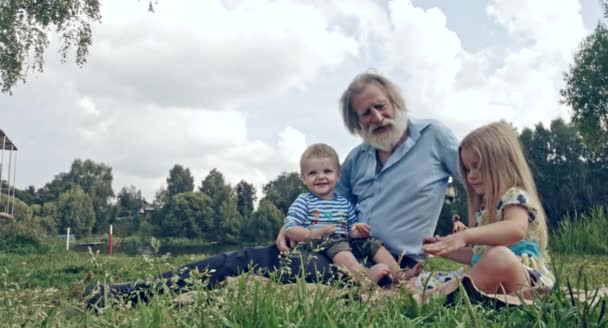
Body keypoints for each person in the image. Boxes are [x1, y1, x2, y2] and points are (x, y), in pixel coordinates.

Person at [84, 71, 458, 307]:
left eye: (381, 107)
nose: (377, 118)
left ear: (396, 103)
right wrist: (286, 227)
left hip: (391, 262)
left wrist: (471, 232)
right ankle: (131, 291)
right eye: (366, 114)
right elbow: (321, 202)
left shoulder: (434, 137)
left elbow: (474, 180)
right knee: (241, 259)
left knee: (262, 265)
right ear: (356, 123)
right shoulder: (357, 159)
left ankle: (145, 295)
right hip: (339, 250)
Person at [421, 121, 555, 299]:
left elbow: (516, 229)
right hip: (497, 279)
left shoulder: (515, 196)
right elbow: (477, 256)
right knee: (430, 279)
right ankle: (435, 294)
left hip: (523, 280)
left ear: (503, 163)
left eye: (478, 166)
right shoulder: (485, 210)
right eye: (467, 169)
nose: (471, 175)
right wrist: (446, 247)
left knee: (499, 257)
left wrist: (466, 235)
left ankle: (430, 298)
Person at [285, 143, 419, 285]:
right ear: (303, 178)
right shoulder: (304, 201)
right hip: (319, 243)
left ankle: (399, 274)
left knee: (371, 243)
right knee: (335, 242)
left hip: (343, 240)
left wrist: (357, 231)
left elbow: (350, 229)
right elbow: (290, 228)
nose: (320, 177)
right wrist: (313, 234)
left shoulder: (344, 203)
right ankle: (363, 277)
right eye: (313, 173)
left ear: (338, 175)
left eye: (327, 171)